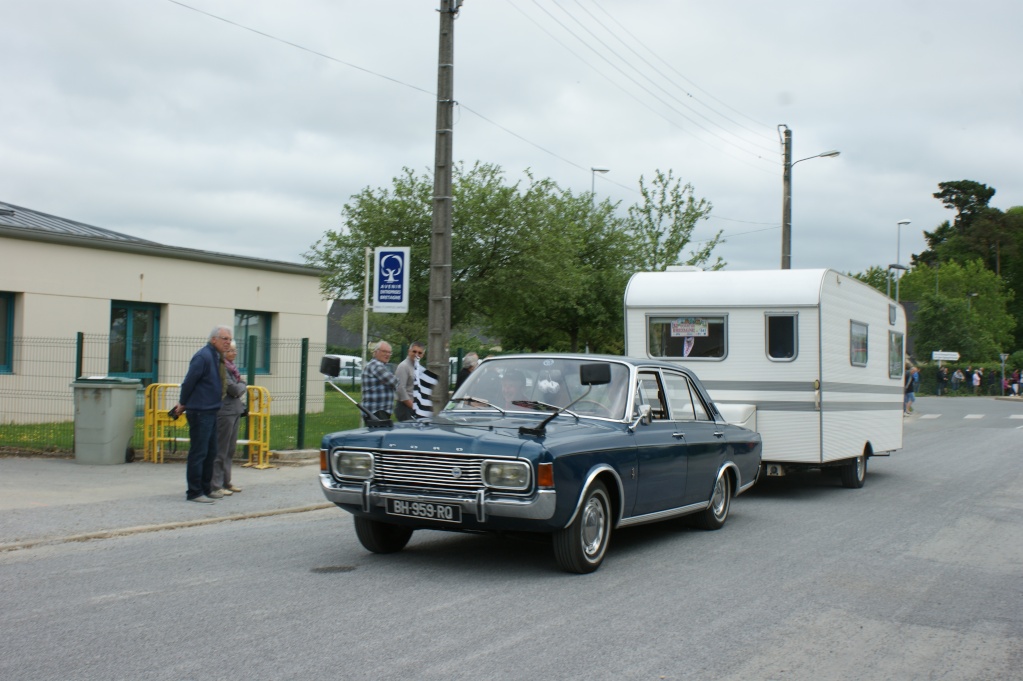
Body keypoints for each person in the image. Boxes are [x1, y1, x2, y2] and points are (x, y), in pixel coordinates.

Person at [172, 325, 232, 503]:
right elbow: (189, 382)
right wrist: (183, 403)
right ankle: (194, 491)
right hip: (200, 411)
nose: (228, 342)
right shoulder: (203, 356)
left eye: (229, 339)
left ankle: (207, 488)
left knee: (211, 451)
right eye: (224, 339)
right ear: (214, 339)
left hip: (212, 410)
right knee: (199, 452)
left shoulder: (216, 357)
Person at [212, 341, 246, 497]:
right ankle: (216, 484)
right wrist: (242, 385)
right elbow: (233, 388)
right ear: (224, 353)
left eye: (235, 350)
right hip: (225, 412)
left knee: (230, 449)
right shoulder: (223, 368)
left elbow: (237, 387)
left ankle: (227, 480)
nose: (235, 353)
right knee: (221, 449)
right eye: (231, 350)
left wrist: (240, 386)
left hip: (234, 410)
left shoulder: (232, 369)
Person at [361, 341, 398, 425]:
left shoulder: (380, 366)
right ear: (375, 352)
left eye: (389, 352)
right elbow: (393, 381)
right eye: (384, 351)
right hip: (376, 411)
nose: (387, 354)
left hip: (379, 411)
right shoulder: (375, 365)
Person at [394, 341, 424, 421]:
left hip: (416, 407)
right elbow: (401, 389)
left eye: (419, 353)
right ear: (409, 351)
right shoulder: (403, 366)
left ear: (423, 355)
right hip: (405, 407)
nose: (416, 354)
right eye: (414, 351)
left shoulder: (419, 368)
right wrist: (413, 407)